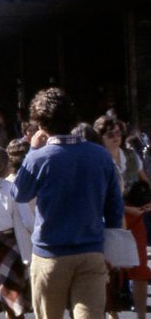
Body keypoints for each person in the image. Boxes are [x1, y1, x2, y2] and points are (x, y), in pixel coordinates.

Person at [13, 87, 124, 319]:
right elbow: (114, 205)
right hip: (91, 250)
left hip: (50, 254)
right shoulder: (100, 155)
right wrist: (111, 244)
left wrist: (32, 149)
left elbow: (19, 194)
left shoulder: (39, 158)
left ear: (41, 124)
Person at [92, 115, 151, 319]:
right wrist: (126, 210)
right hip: (109, 221)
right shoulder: (97, 159)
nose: (115, 137)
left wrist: (148, 200)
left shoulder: (131, 156)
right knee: (110, 272)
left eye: (118, 132)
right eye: (110, 134)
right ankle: (113, 314)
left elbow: (146, 182)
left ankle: (142, 316)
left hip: (136, 220)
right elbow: (100, 197)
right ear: (101, 136)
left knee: (140, 270)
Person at [0, 145, 33, 318]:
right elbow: (27, 219)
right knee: (13, 298)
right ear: (5, 164)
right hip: (10, 247)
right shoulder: (12, 187)